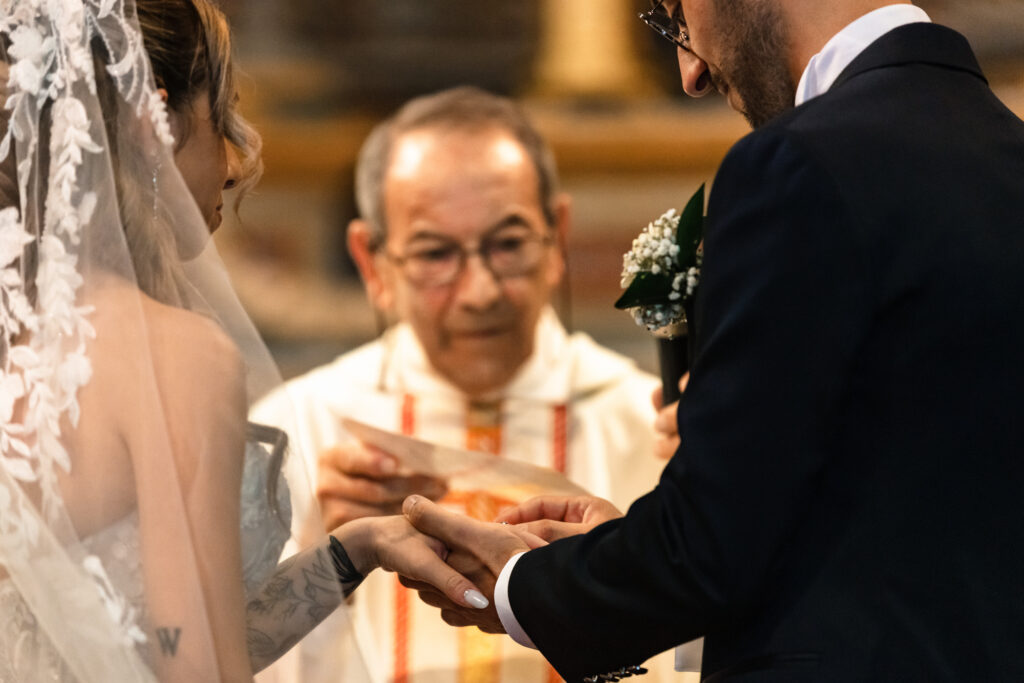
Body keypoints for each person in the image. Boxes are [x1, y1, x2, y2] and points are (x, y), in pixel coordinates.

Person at [398, 1, 1024, 681]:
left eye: (675, 14)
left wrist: (521, 582)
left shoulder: (798, 164)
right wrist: (628, 539)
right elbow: (911, 506)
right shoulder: (1004, 152)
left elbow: (709, 549)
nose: (691, 70)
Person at [0, 1, 481, 681]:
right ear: (155, 121)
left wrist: (357, 546)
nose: (233, 163)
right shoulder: (172, 356)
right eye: (220, 117)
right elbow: (197, 669)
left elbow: (140, 644)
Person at [251, 87, 676, 682]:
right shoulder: (296, 427)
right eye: (435, 254)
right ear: (372, 261)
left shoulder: (642, 425)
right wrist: (329, 562)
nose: (480, 293)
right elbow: (220, 660)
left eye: (508, 244)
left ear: (557, 235)